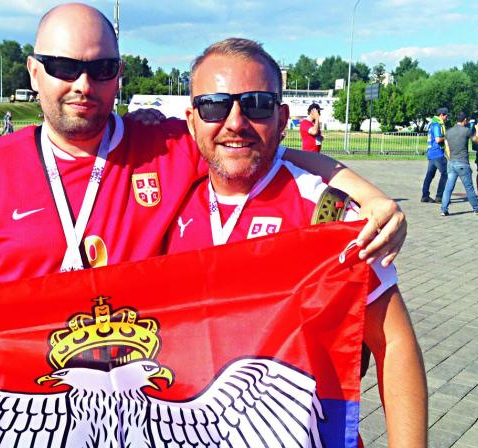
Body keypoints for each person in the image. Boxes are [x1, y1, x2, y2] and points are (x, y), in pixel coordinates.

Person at [0, 2, 406, 363]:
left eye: (101, 69)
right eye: (64, 68)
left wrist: (373, 197)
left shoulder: (166, 143)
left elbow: (267, 147)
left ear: (119, 76)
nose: (82, 85)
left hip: (146, 398)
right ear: (34, 72)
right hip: (28, 392)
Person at [166, 37, 427, 447]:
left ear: (282, 116)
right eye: (214, 105)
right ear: (191, 118)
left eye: (256, 104)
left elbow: (393, 341)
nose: (235, 121)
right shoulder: (169, 203)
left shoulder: (329, 213)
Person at [440, 112, 478, 216]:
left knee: (449, 187)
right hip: (462, 163)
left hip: (451, 162)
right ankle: (477, 208)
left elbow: (447, 148)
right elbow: (477, 140)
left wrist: (451, 159)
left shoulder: (448, 132)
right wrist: (476, 129)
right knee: (469, 187)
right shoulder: (467, 131)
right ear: (465, 120)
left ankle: (444, 209)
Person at [421, 107, 448, 203]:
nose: (447, 118)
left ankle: (425, 196)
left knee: (430, 175)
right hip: (437, 153)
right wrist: (446, 137)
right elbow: (438, 139)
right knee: (446, 173)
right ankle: (439, 196)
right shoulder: (437, 125)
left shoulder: (432, 123)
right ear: (441, 115)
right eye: (446, 115)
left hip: (431, 153)